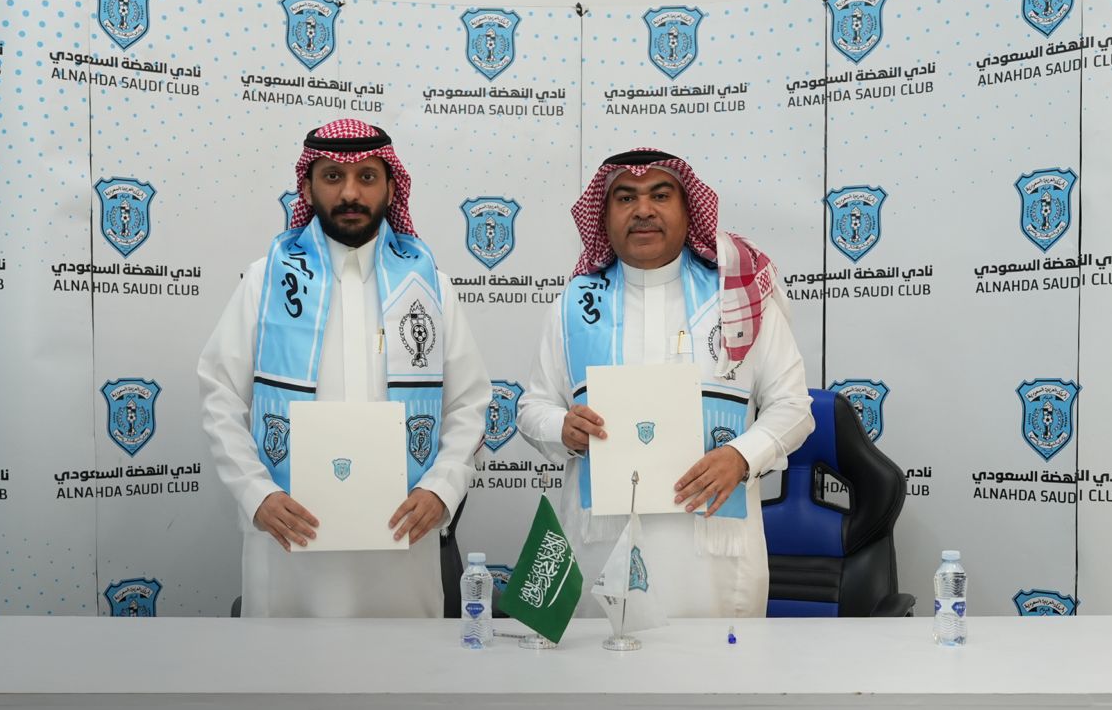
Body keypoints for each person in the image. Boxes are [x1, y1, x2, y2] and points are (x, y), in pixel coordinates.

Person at [198, 119, 489, 616]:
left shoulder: (428, 286)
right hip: (292, 543)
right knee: (289, 663)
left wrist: (440, 489)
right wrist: (256, 493)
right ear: (307, 187)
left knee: (402, 663)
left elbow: (468, 403)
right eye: (333, 177)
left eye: (367, 177)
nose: (350, 193)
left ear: (391, 187)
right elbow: (219, 395)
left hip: (401, 541)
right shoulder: (267, 281)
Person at [517, 149, 813, 617]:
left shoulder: (738, 298)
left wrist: (741, 457)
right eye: (625, 198)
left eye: (660, 195)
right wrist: (562, 428)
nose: (643, 210)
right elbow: (533, 407)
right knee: (603, 661)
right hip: (602, 544)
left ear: (687, 209)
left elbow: (793, 407)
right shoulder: (573, 305)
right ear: (604, 215)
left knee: (712, 661)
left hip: (711, 555)